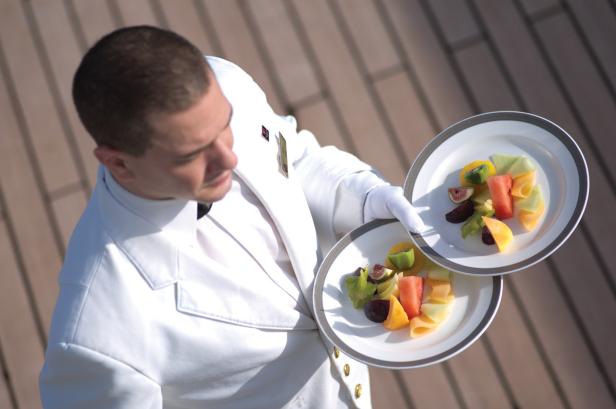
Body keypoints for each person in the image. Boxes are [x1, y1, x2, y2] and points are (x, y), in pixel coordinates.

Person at [39, 26, 425, 409]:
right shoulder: (96, 337)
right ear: (119, 163)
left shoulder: (226, 84)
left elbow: (296, 158)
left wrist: (365, 197)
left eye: (225, 126)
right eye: (192, 154)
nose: (229, 157)